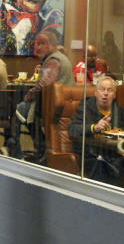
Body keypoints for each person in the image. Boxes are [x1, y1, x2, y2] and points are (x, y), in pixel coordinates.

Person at [6, 27, 74, 160]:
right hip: (62, 104)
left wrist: (29, 94)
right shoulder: (59, 58)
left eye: (43, 44)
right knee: (26, 112)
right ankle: (38, 150)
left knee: (19, 111)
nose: (38, 47)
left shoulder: (53, 60)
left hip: (53, 106)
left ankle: (16, 151)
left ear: (53, 45)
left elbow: (45, 83)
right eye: (38, 44)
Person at [68, 76, 124, 189]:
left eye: (109, 90)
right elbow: (72, 129)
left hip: (116, 157)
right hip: (92, 157)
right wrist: (94, 128)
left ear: (114, 95)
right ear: (95, 92)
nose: (105, 93)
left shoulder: (119, 111)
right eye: (102, 89)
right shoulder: (85, 108)